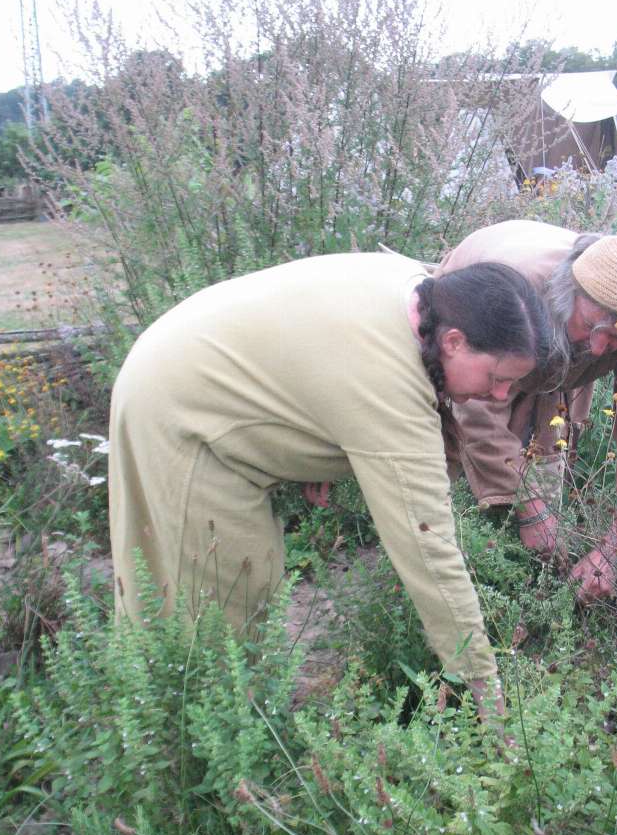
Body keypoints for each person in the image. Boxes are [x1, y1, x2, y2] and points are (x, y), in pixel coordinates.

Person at [109, 251, 550, 713]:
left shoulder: (428, 296)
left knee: (248, 585)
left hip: (181, 357)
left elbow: (315, 364)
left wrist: (316, 449)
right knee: (222, 608)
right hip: (178, 409)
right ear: (455, 342)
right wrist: (484, 687)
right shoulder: (389, 382)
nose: (500, 396)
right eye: (497, 378)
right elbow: (429, 548)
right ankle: (180, 740)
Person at [435, 220, 617, 602]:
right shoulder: (515, 291)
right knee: (442, 455)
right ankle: (443, 556)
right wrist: (531, 512)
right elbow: (478, 408)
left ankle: (537, 582)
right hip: (478, 321)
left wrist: (614, 550)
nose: (601, 348)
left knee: (543, 471)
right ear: (568, 294)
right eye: (590, 326)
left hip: (552, 360)